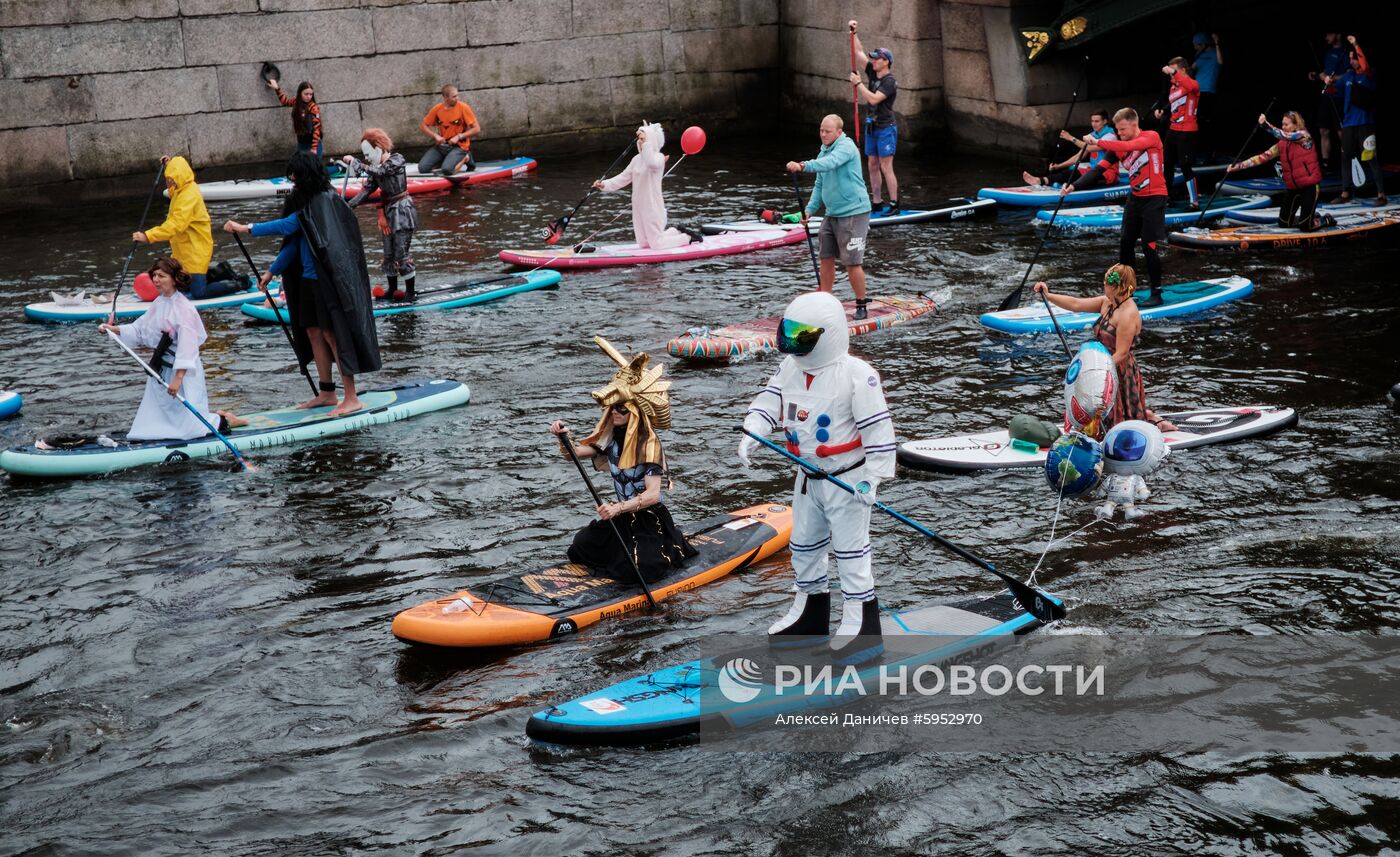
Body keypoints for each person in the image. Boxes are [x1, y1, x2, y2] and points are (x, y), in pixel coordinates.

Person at [738, 291, 895, 663]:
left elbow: (879, 434)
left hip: (846, 479)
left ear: (828, 335)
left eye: (803, 336)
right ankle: (809, 613)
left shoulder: (858, 376)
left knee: (851, 551)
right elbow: (768, 402)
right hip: (807, 477)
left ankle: (861, 625)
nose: (793, 344)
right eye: (789, 334)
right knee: (804, 546)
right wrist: (753, 431)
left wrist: (872, 479)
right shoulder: (790, 367)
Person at [223, 152, 381, 417]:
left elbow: (287, 226)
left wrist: (245, 227)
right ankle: (327, 393)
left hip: (327, 283)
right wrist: (273, 271)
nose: (293, 180)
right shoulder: (307, 201)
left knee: (334, 334)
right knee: (313, 333)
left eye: (295, 175)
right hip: (308, 280)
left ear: (306, 174)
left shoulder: (324, 201)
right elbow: (295, 240)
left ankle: (351, 397)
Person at [548, 338, 696, 583]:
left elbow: (653, 495)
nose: (615, 412)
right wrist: (562, 437)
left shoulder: (649, 445)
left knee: (640, 570)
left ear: (635, 413)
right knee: (579, 548)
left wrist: (617, 507)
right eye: (614, 408)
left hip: (649, 520)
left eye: (622, 409)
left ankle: (672, 541)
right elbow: (572, 454)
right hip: (622, 519)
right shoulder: (610, 440)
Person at [1032, 266, 1177, 433]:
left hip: (1117, 370)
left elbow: (1121, 354)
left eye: (1105, 284)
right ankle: (1149, 416)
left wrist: (1096, 371)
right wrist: (1048, 296)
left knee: (1119, 423)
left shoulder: (1127, 314)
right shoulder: (1107, 303)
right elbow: (1076, 304)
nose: (1103, 287)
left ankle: (1154, 422)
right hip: (1101, 365)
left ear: (1115, 287)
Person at [96, 258, 229, 440]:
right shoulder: (159, 302)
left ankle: (221, 421)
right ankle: (212, 419)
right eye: (154, 276)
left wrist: (178, 378)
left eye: (161, 276)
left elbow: (187, 348)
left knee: (190, 425)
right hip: (161, 367)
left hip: (182, 370)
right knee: (161, 412)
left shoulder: (185, 309)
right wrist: (114, 330)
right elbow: (140, 329)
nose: (156, 280)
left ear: (174, 279)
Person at [1063, 108, 1168, 308]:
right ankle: (1128, 291)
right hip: (1135, 198)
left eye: (1122, 129)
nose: (1119, 133)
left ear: (1134, 125)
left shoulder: (1151, 137)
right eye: (1117, 130)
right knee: (1126, 243)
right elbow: (1097, 170)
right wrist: (1073, 187)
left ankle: (1157, 293)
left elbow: (1133, 144)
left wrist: (1097, 142)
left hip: (1155, 197)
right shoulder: (1118, 148)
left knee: (1148, 245)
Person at [787, 115, 873, 319]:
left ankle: (861, 304)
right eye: (821, 131)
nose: (823, 134)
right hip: (832, 213)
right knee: (825, 257)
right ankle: (825, 302)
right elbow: (819, 185)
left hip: (854, 212)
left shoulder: (846, 147)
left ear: (839, 132)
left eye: (828, 131)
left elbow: (830, 163)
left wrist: (802, 165)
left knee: (851, 262)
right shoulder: (823, 150)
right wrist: (808, 210)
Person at [132, 156, 235, 300]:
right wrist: (169, 164)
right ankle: (221, 272)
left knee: (199, 293)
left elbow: (176, 225)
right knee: (183, 285)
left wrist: (148, 236)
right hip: (183, 248)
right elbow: (177, 170)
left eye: (171, 179)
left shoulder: (188, 195)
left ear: (180, 176)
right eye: (168, 179)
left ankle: (239, 283)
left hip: (195, 248)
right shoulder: (180, 187)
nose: (168, 183)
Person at [593, 122, 700, 250]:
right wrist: (604, 184)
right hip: (638, 207)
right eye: (640, 138)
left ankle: (687, 238)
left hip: (652, 206)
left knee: (657, 244)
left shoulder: (659, 158)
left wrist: (646, 142)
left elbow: (651, 163)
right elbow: (622, 178)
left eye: (644, 136)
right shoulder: (636, 160)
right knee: (644, 244)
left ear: (651, 139)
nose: (641, 139)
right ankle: (673, 231)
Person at [344, 128, 418, 300]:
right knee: (388, 254)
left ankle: (410, 292)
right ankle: (392, 289)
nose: (367, 158)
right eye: (365, 155)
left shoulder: (396, 160)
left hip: (402, 210)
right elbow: (367, 190)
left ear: (378, 148)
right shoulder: (375, 168)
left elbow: (382, 172)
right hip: (388, 212)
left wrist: (357, 163)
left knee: (401, 253)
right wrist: (347, 206)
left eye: (368, 154)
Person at [1226, 112, 1328, 231]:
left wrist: (1265, 125)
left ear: (1296, 125)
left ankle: (1325, 219)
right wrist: (1238, 166)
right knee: (1284, 224)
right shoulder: (1282, 144)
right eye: (1282, 124)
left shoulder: (1304, 136)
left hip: (1309, 187)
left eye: (1286, 124)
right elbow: (1261, 157)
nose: (1283, 127)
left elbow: (1283, 135)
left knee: (1306, 226)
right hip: (1293, 188)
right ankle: (1309, 216)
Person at [1324, 35, 1386, 206]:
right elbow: (1333, 92)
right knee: (1345, 158)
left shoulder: (1368, 74)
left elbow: (1364, 64)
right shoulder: (1348, 77)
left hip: (1365, 124)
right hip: (1349, 124)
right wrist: (1328, 83)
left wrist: (1356, 44)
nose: (1352, 61)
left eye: (1354, 57)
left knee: (1370, 158)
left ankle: (1381, 194)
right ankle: (1345, 193)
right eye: (1350, 58)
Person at [848, 19, 899, 215]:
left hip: (886, 127)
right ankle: (877, 202)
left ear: (886, 61)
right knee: (872, 164)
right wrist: (854, 33)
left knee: (886, 166)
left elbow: (874, 99)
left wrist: (858, 84)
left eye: (877, 59)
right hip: (872, 127)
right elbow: (858, 53)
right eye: (874, 58)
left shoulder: (890, 82)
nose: (873, 61)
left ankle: (894, 204)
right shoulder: (872, 71)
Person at [1023, 110, 1120, 189]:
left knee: (1082, 176)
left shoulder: (1110, 137)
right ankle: (1040, 180)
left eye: (1097, 121)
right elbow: (1078, 156)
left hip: (1108, 174)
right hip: (1094, 171)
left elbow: (1090, 148)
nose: (1093, 124)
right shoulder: (1093, 135)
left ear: (1105, 121)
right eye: (1092, 121)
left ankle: (1070, 186)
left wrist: (1071, 138)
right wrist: (1059, 166)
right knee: (1071, 172)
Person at [1154, 58, 1201, 208]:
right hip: (1173, 129)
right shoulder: (1173, 87)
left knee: (1185, 165)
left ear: (1182, 70)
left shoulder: (1192, 84)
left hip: (1187, 131)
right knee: (1167, 164)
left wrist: (1173, 71)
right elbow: (1174, 105)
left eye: (1173, 71)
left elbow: (1188, 85)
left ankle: (1194, 202)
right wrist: (1162, 111)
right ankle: (1166, 197)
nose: (1171, 75)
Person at [418, 85, 479, 176]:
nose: (457, 98)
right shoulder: (437, 109)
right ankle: (447, 160)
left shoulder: (463, 107)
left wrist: (459, 136)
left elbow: (477, 129)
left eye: (457, 95)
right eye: (454, 96)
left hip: (459, 146)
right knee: (423, 168)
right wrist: (435, 136)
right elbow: (423, 126)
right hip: (442, 146)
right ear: (445, 97)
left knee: (447, 170)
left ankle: (466, 157)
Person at [1311, 32, 1349, 168]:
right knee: (1323, 130)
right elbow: (1325, 72)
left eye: (1329, 35)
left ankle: (1348, 159)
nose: (1326, 37)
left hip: (1339, 96)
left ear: (1338, 35)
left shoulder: (1345, 52)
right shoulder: (1328, 53)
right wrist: (1319, 75)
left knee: (1340, 131)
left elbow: (1350, 73)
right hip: (1326, 96)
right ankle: (1325, 163)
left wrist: (1334, 79)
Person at [267, 79, 322, 158]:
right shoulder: (296, 101)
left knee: (315, 168)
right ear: (300, 93)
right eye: (306, 94)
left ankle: (338, 167)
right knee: (302, 168)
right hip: (301, 143)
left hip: (313, 144)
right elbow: (285, 101)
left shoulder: (313, 107)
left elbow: (317, 129)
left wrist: (314, 148)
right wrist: (277, 88)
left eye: (311, 94)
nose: (309, 97)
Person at [1190, 33, 1222, 156]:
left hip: (1208, 91)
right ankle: (1198, 149)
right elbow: (1191, 69)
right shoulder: (1199, 55)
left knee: (1206, 121)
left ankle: (1209, 151)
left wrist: (1216, 42)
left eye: (1196, 45)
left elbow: (1220, 61)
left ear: (1203, 44)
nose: (1194, 48)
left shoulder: (1214, 53)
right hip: (1196, 91)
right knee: (1196, 121)